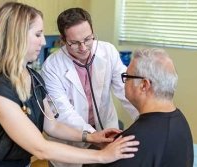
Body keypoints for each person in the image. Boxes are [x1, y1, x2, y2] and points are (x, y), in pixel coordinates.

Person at [0, 2, 140, 167]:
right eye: (38, 34)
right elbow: (41, 148)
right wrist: (102, 155)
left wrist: (90, 137)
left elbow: (52, 125)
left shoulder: (33, 77)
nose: (43, 42)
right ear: (17, 37)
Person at [41, 7, 139, 167]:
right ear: (63, 40)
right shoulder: (51, 67)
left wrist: (144, 119)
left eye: (88, 39)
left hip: (105, 127)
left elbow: (126, 90)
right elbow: (64, 113)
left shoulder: (108, 51)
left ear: (93, 31)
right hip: (70, 139)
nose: (83, 48)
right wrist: (94, 136)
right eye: (74, 43)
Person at [99, 48, 194, 167]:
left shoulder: (132, 143)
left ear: (144, 85)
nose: (124, 82)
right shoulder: (180, 121)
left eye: (127, 77)